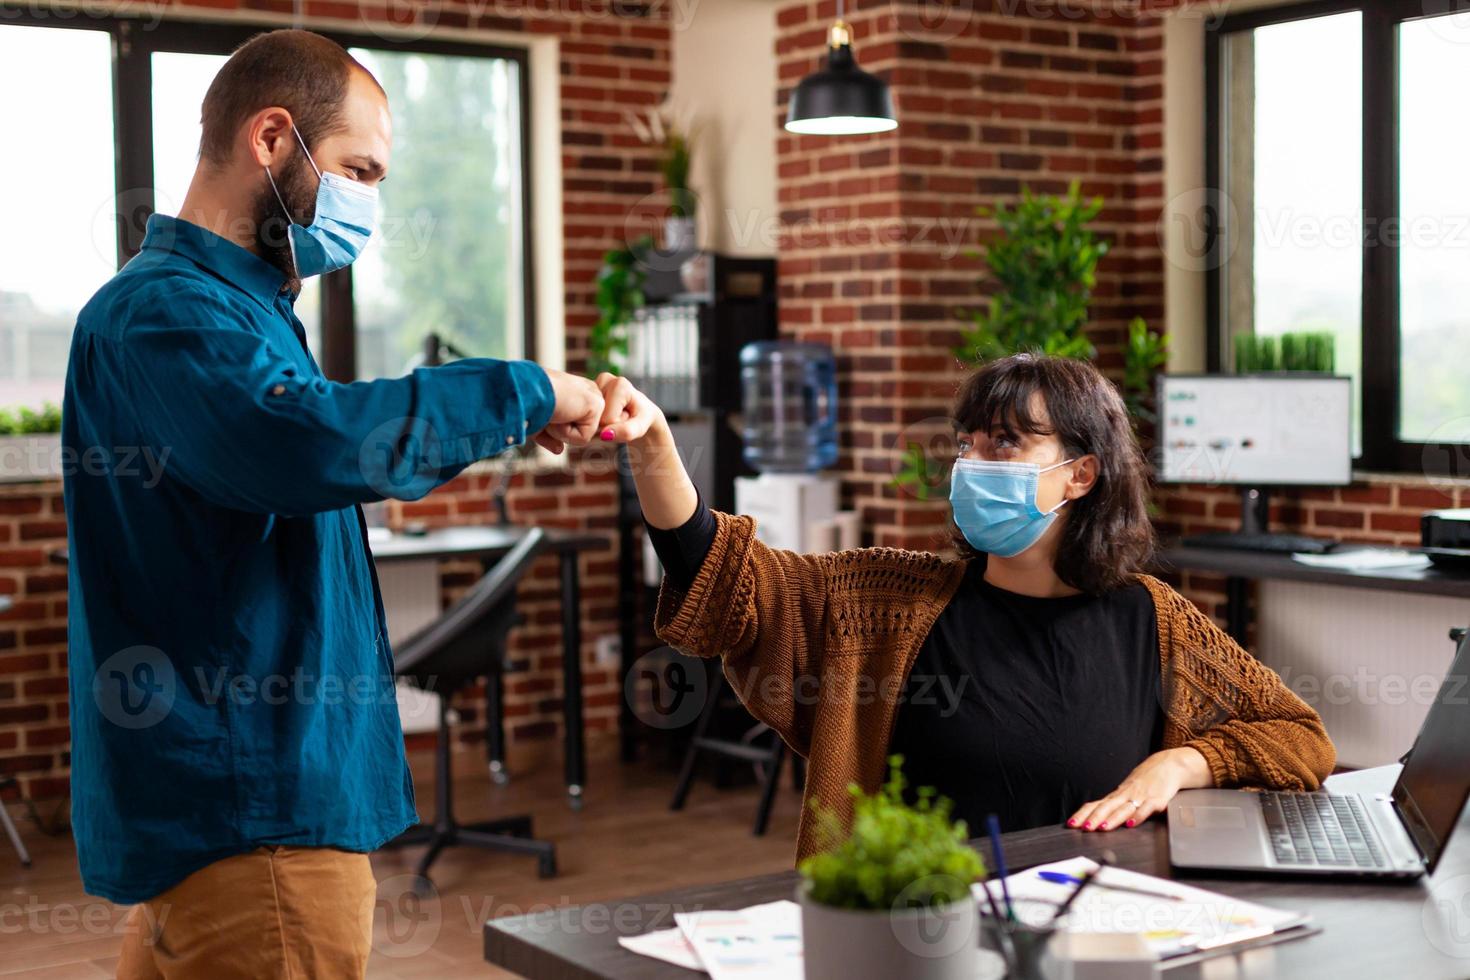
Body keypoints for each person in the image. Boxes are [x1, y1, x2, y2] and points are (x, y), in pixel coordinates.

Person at [63, 30, 602, 979]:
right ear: (271, 138)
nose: (368, 204)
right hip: (257, 824)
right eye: (359, 169)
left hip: (236, 823)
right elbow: (306, 441)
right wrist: (525, 391)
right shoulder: (169, 314)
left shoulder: (245, 312)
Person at [587, 353, 1335, 861]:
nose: (975, 464)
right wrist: (653, 443)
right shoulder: (882, 601)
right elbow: (721, 574)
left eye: (1007, 443)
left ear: (1080, 475)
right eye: (968, 444)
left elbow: (1300, 738)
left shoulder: (1154, 619)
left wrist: (1181, 763)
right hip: (918, 937)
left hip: (1099, 934)